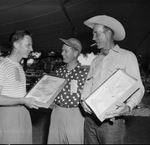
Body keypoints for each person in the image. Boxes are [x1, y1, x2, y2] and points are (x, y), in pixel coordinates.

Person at [81, 15, 145, 144]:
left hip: (111, 124)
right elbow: (88, 83)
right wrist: (83, 100)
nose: (93, 38)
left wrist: (127, 107)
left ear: (108, 33)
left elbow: (139, 87)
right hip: (89, 121)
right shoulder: (95, 61)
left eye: (96, 34)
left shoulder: (127, 56)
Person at [0, 30, 39, 144]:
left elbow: (17, 93)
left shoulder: (20, 67)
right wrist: (22, 100)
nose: (31, 49)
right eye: (28, 45)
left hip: (24, 112)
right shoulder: (2, 66)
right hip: (9, 114)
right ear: (16, 45)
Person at [47, 38, 88, 144]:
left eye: (66, 51)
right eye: (62, 50)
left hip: (76, 114)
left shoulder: (84, 73)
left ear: (75, 53)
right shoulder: (59, 71)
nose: (62, 53)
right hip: (57, 111)